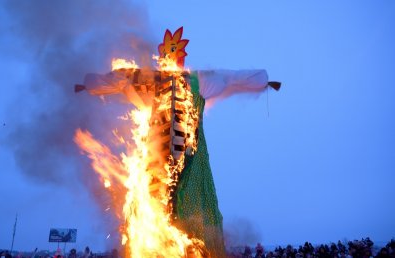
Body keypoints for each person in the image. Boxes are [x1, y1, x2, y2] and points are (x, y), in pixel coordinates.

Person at [77, 26, 280, 257]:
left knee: (187, 201)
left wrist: (262, 81)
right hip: (157, 153)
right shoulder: (154, 79)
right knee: (156, 200)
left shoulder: (196, 79)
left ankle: (185, 245)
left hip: (190, 153)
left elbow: (232, 78)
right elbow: (119, 77)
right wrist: (89, 84)